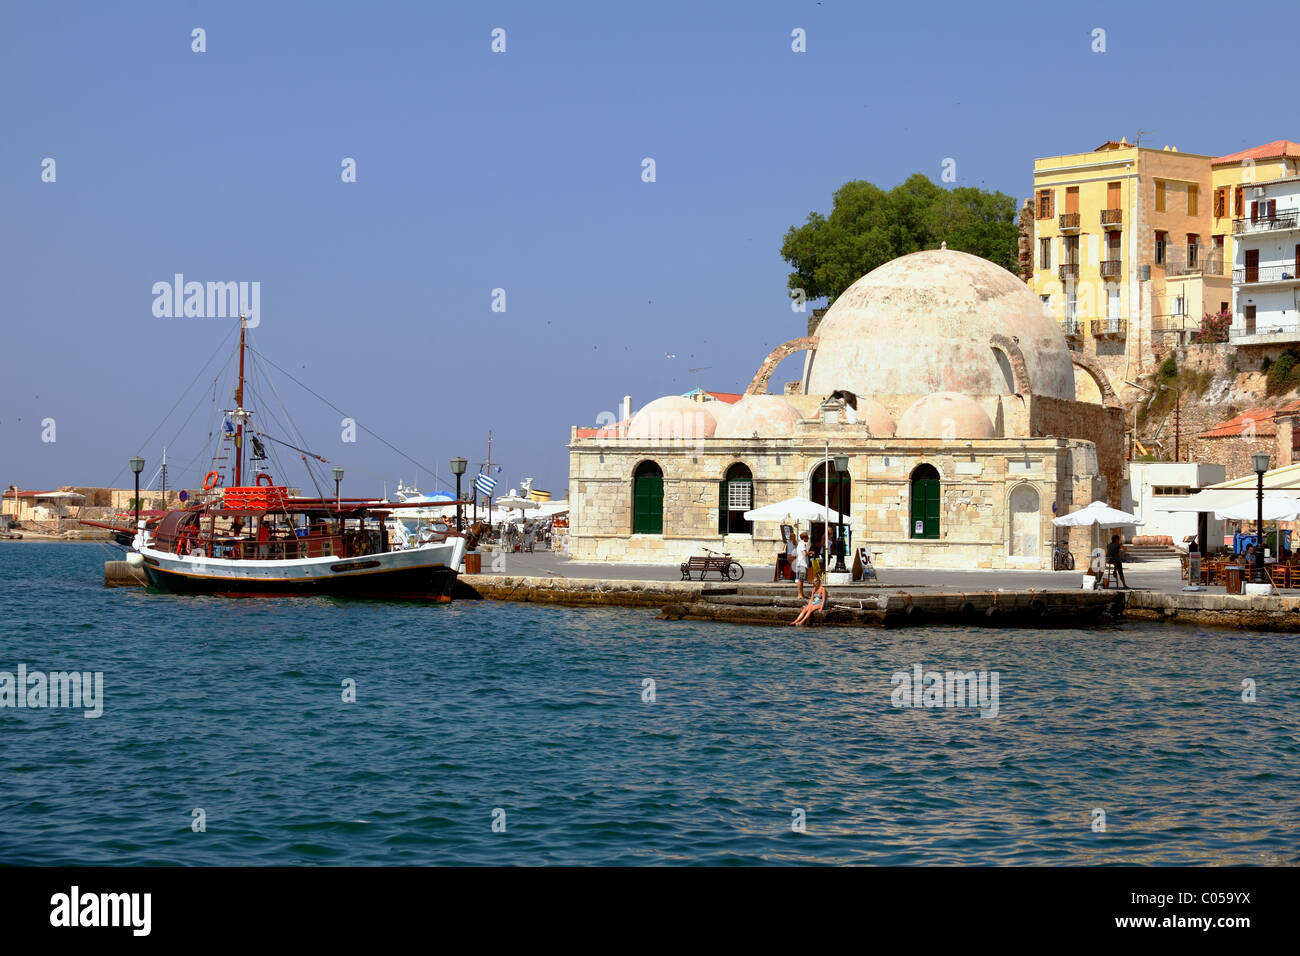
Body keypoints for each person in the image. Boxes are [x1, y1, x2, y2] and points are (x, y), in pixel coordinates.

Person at [794, 531, 810, 599]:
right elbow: (805, 554)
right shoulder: (802, 544)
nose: (808, 538)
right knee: (800, 579)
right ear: (804, 538)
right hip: (802, 563)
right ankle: (799, 594)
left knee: (802, 579)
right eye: (807, 537)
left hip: (801, 563)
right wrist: (810, 552)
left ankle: (801, 594)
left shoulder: (800, 544)